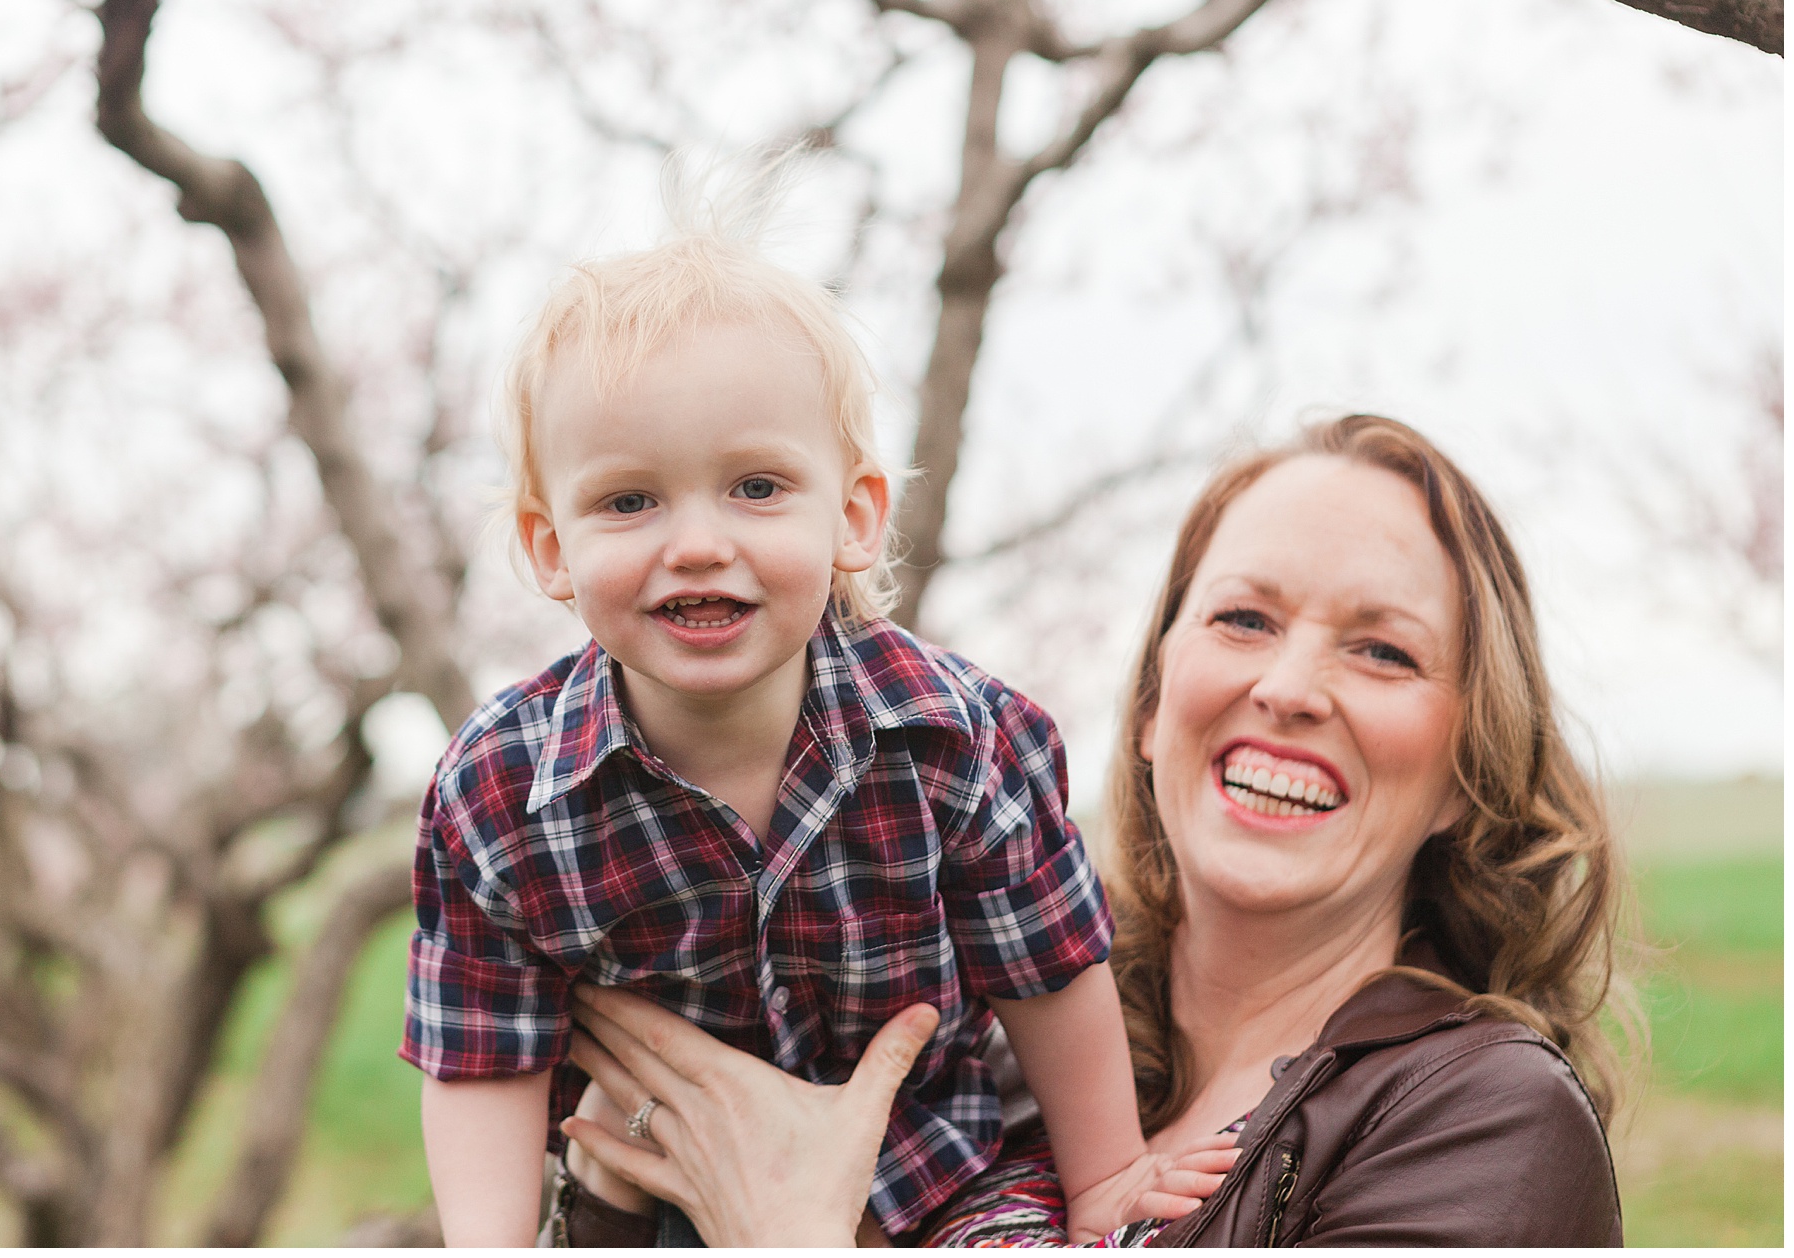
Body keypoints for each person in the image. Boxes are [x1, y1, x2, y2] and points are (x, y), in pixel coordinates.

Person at [561, 414, 1632, 1246]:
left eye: (1383, 651)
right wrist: (618, 1184)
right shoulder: (986, 1051)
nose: (1290, 685)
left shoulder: (1479, 1121)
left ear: (1466, 769)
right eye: (1243, 619)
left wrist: (792, 1237)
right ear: (1155, 707)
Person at [399, 172, 1220, 1248]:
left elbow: (1051, 968)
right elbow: (480, 1055)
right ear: (552, 546)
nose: (695, 541)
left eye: (755, 487)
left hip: (938, 1176)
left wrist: (1108, 1170)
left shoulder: (953, 738)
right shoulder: (501, 793)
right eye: (629, 500)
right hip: (656, 1206)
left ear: (855, 515)